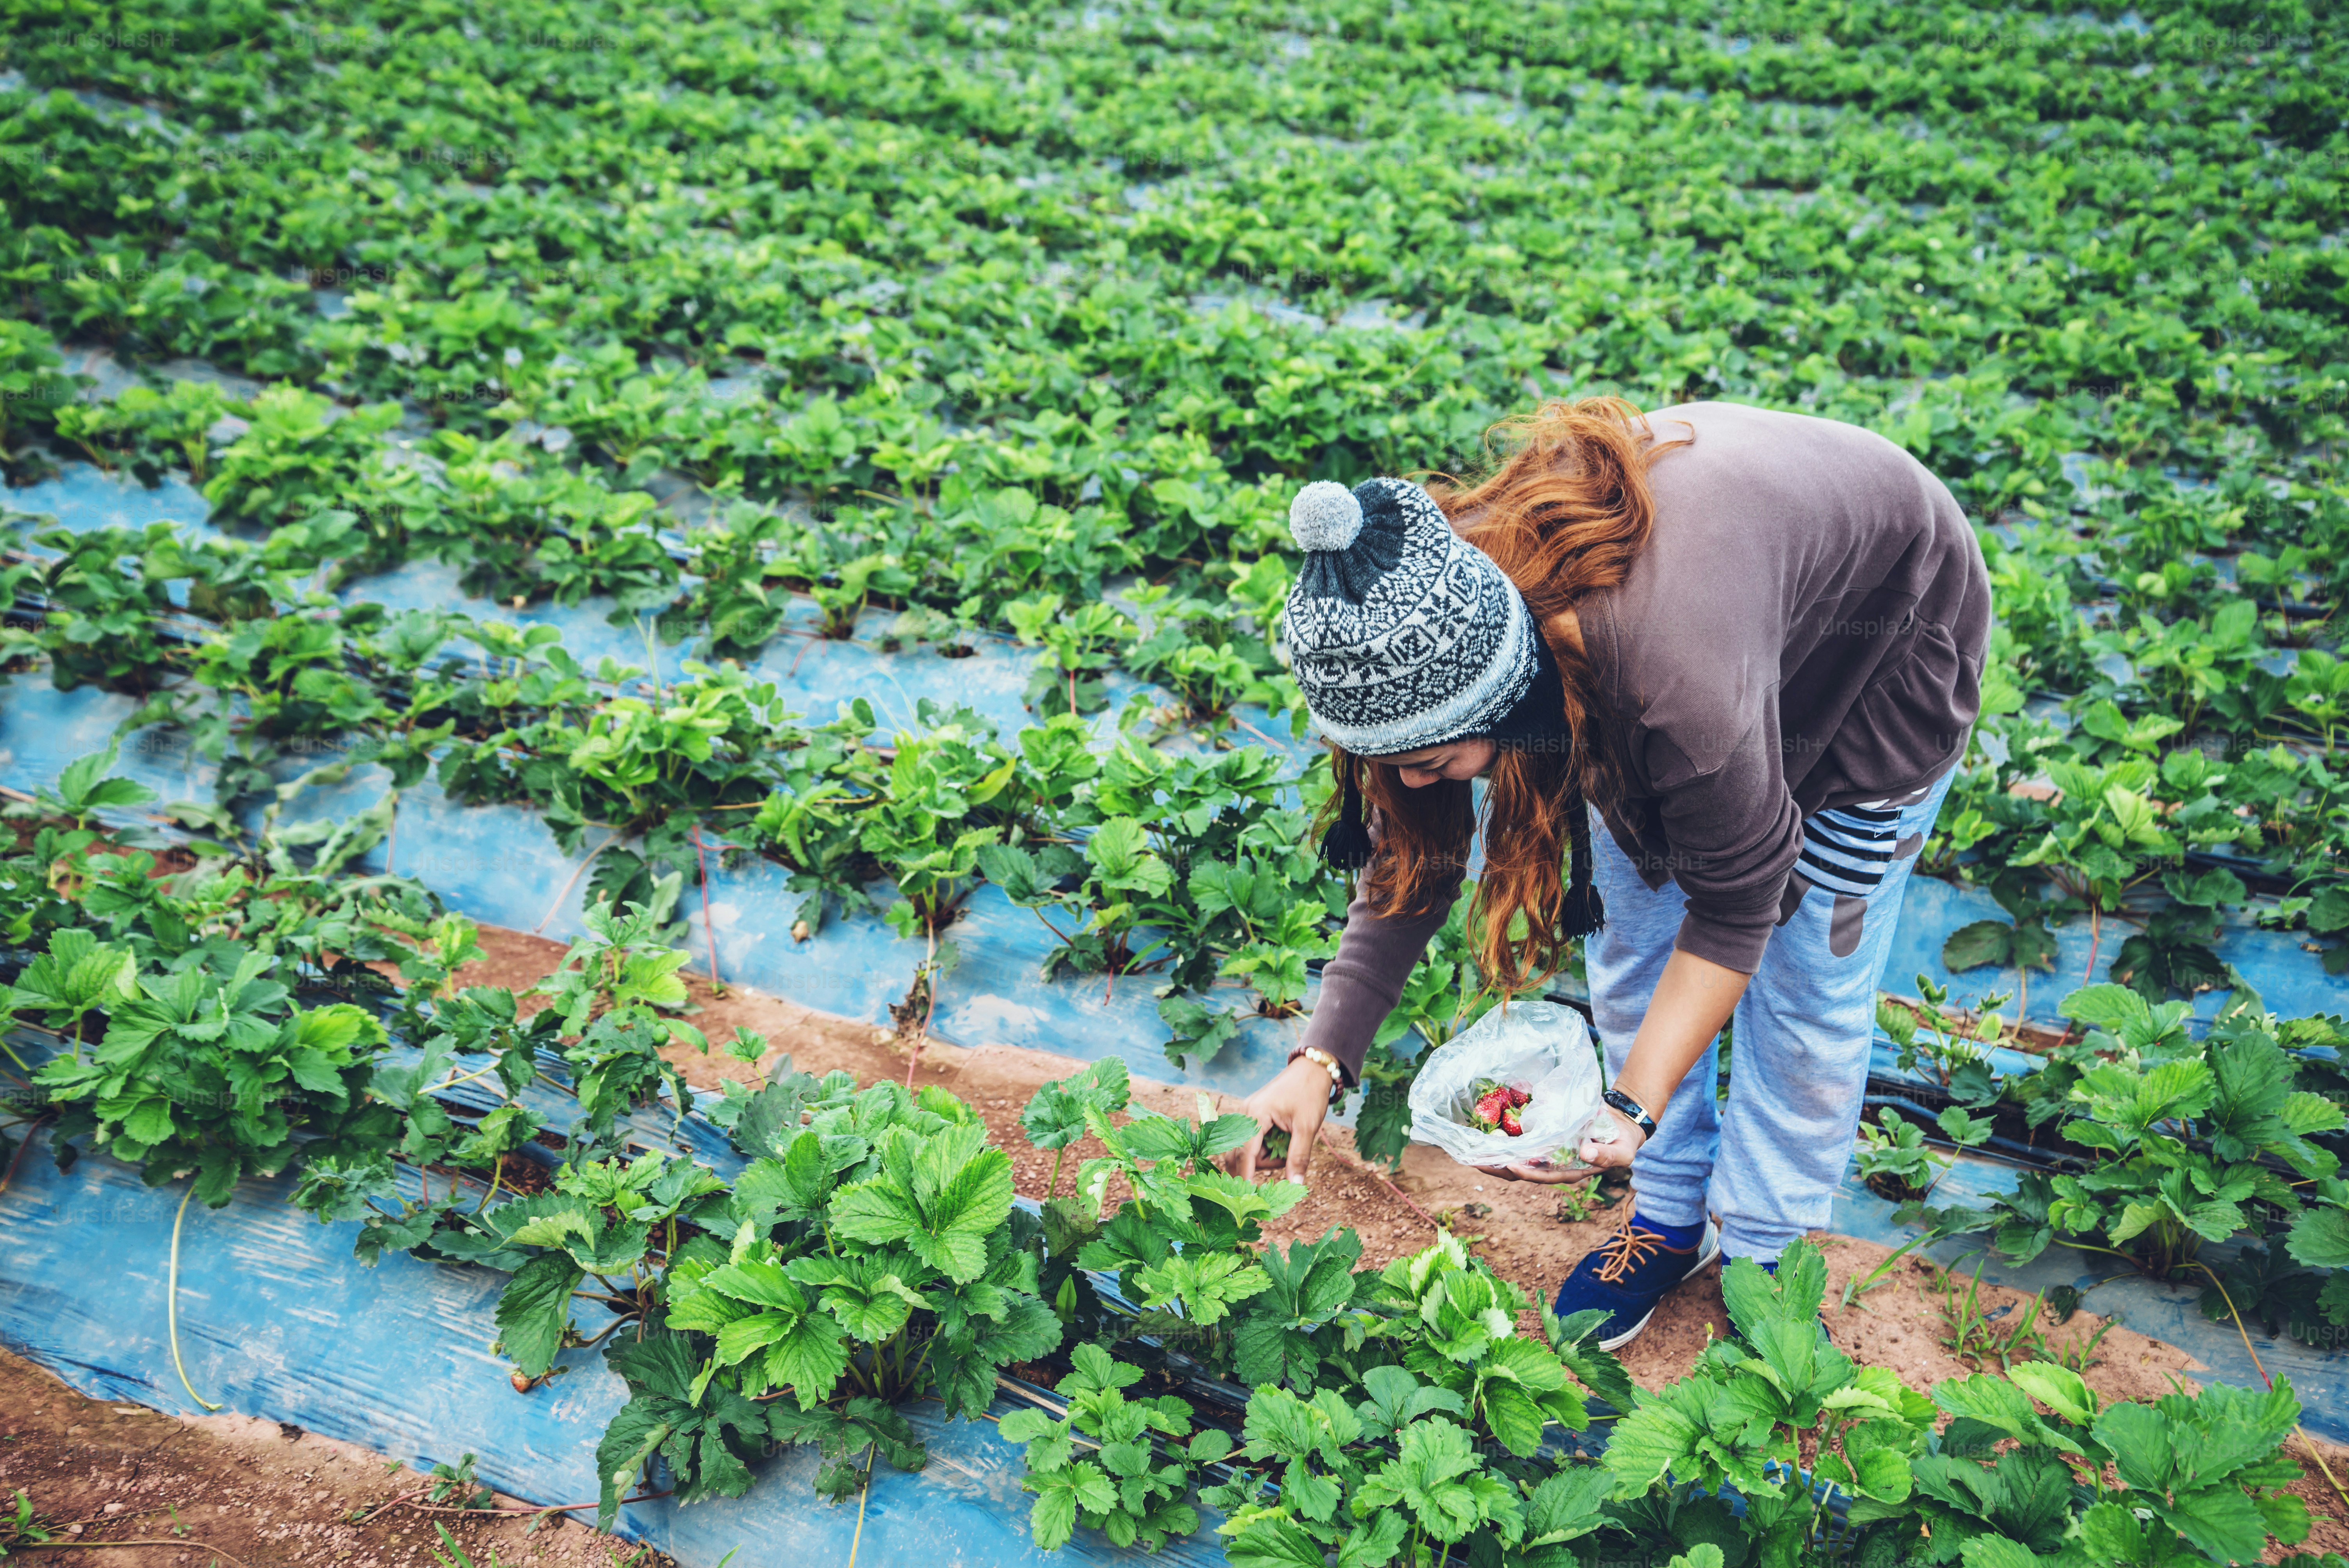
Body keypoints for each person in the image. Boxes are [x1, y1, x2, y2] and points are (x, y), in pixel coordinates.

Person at [1223, 397, 1991, 1349]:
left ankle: (1764, 1253)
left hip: (1881, 646)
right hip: (1723, 627)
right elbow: (1408, 858)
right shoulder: (1416, 608)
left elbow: (1737, 902)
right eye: (1392, 761)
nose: (1410, 779)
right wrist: (1319, 1059)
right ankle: (1666, 1219)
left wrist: (1629, 1102)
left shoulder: (1670, 689)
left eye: (1426, 757)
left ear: (1499, 687)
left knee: (1805, 984)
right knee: (1629, 932)